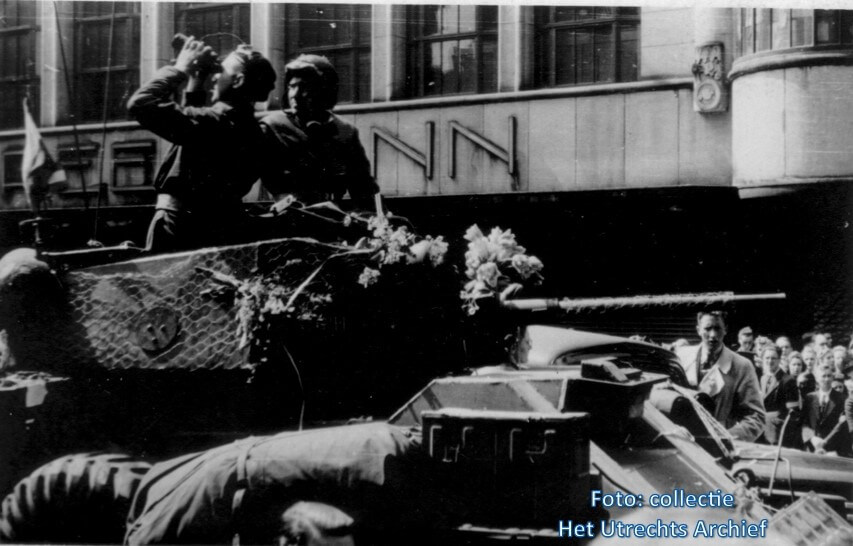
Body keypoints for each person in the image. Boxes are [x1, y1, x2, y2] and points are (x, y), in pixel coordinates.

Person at [128, 37, 277, 252]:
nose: (215, 77)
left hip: (181, 226)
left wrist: (181, 67)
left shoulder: (212, 123)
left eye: (221, 72)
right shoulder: (251, 129)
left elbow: (141, 104)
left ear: (238, 81)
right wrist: (197, 80)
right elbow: (192, 143)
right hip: (221, 227)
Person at [259, 54, 379, 211]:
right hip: (289, 221)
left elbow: (365, 191)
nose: (294, 95)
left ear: (325, 91)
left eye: (305, 87)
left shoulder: (346, 132)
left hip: (334, 221)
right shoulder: (272, 128)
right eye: (291, 87)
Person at [675, 311, 766, 442]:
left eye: (717, 328)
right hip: (684, 442)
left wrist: (727, 438)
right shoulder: (682, 357)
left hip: (721, 443)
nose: (713, 335)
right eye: (707, 328)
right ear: (698, 330)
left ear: (725, 330)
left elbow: (756, 417)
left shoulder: (741, 365)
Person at [758, 345, 801, 447]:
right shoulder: (763, 379)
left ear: (779, 360)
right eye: (767, 358)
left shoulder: (788, 380)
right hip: (761, 430)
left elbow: (793, 413)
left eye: (773, 358)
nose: (770, 361)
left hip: (777, 431)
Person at [801, 365, 848, 454]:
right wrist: (812, 438)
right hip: (812, 447)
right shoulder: (809, 398)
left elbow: (841, 424)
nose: (827, 379)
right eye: (823, 376)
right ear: (817, 378)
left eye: (829, 376)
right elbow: (804, 422)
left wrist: (825, 442)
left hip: (833, 448)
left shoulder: (842, 399)